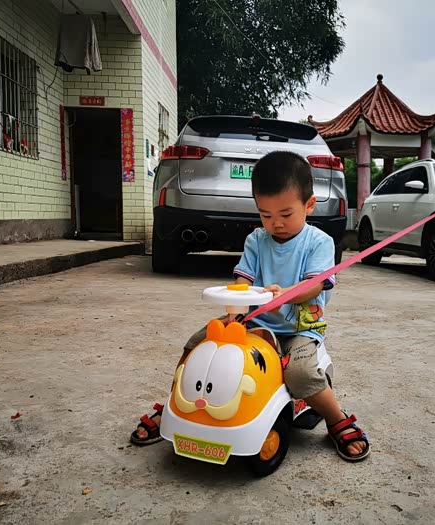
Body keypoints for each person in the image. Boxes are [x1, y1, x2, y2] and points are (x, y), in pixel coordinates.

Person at [132, 151, 369, 461]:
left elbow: (315, 284)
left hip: (298, 328)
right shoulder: (256, 240)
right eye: (265, 215)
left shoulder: (319, 242)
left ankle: (337, 419)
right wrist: (235, 311)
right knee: (199, 345)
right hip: (256, 320)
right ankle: (175, 404)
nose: (276, 224)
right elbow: (243, 280)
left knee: (299, 374)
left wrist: (284, 293)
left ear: (309, 205)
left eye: (286, 214)